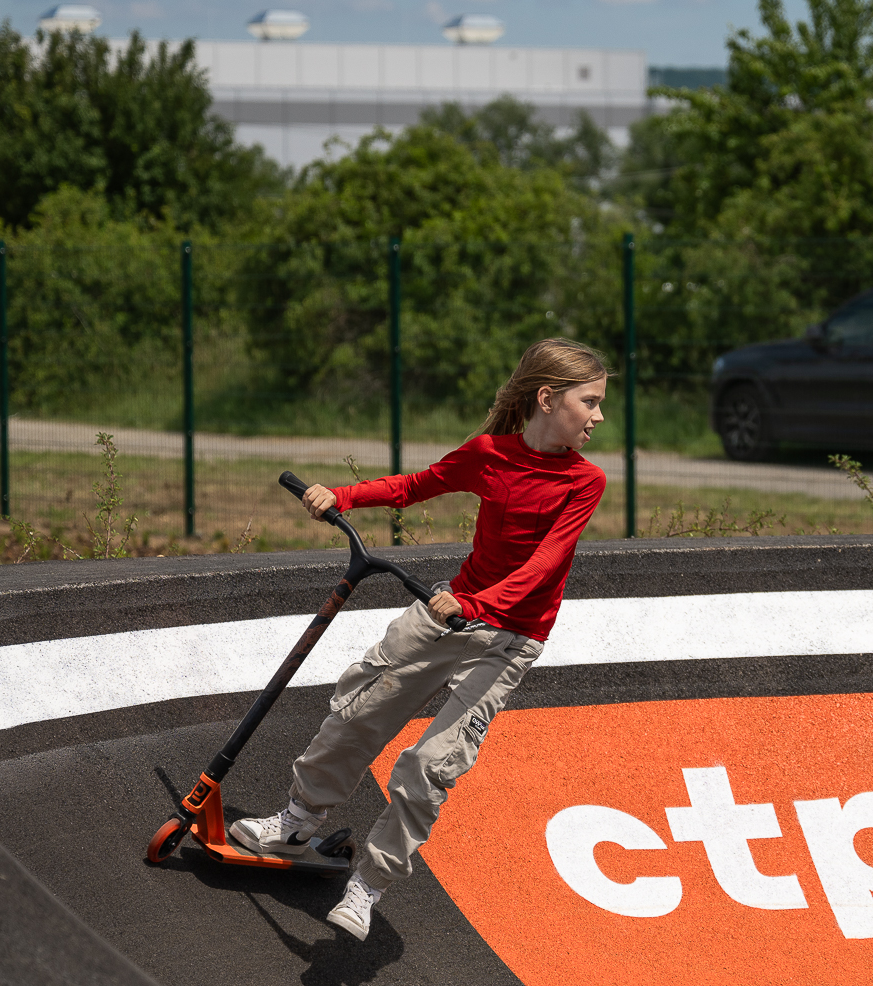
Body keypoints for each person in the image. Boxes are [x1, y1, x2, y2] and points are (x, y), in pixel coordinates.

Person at [233, 339, 609, 940]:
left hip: (509, 637)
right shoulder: (489, 454)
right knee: (359, 709)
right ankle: (298, 821)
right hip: (447, 614)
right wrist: (341, 496)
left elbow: (545, 564)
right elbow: (414, 486)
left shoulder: (585, 481)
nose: (597, 416)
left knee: (430, 765)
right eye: (589, 402)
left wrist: (476, 605)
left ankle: (368, 884)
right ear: (547, 399)